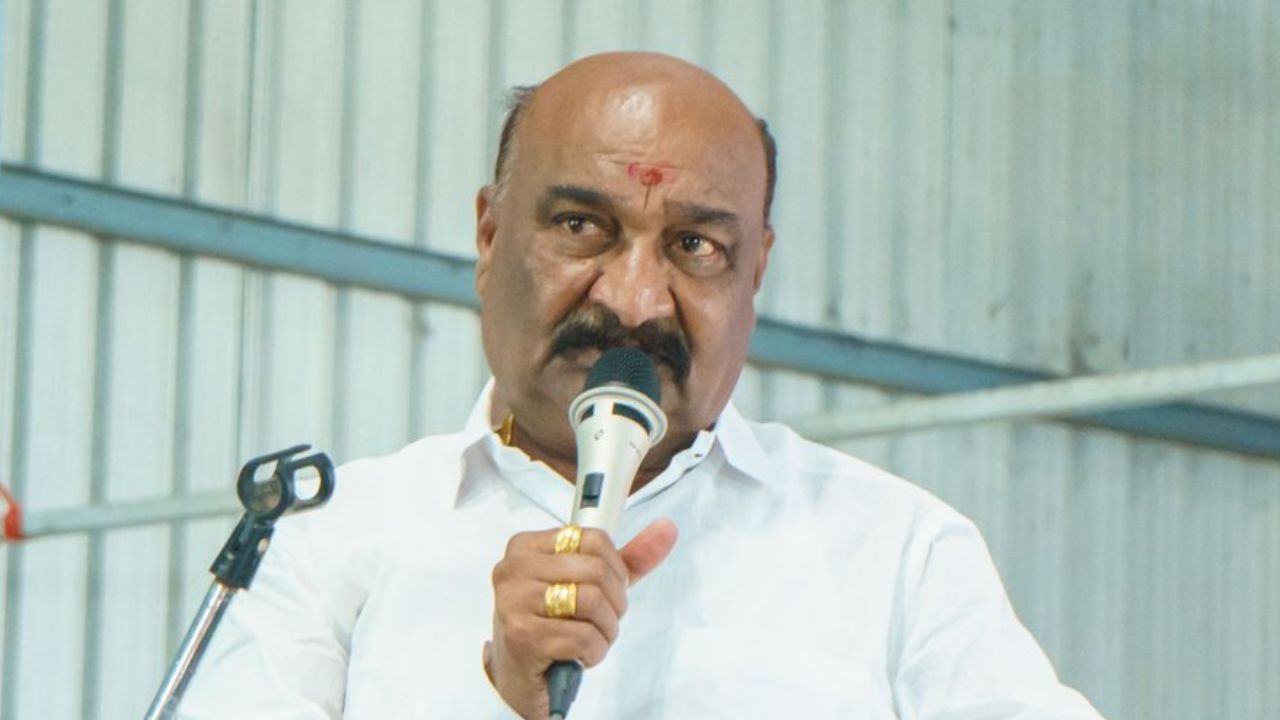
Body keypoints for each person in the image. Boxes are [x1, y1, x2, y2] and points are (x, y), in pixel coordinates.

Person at [180, 52, 1104, 719]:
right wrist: (496, 699)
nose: (633, 300)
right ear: (490, 238)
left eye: (695, 246)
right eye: (582, 226)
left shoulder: (897, 551)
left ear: (755, 275)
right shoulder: (330, 542)